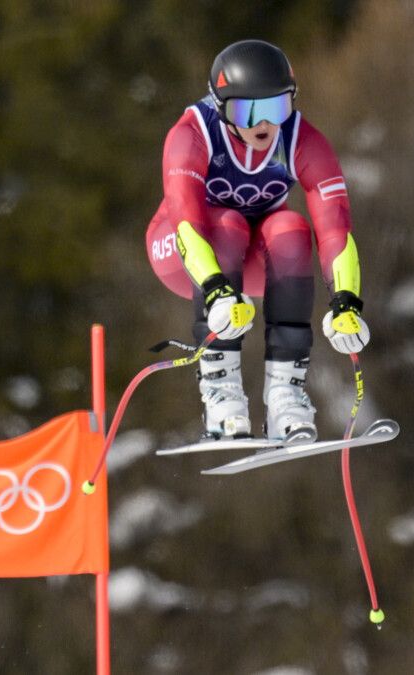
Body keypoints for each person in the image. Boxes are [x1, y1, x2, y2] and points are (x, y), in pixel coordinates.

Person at [146, 39, 371, 442]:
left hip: (249, 263)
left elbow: (335, 228)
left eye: (276, 108)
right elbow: (187, 225)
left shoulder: (302, 140)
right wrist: (215, 290)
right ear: (221, 108)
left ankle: (286, 392)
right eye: (246, 111)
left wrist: (346, 302)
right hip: (183, 253)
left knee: (292, 230)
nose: (263, 125)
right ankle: (220, 390)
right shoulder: (192, 135)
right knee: (227, 223)